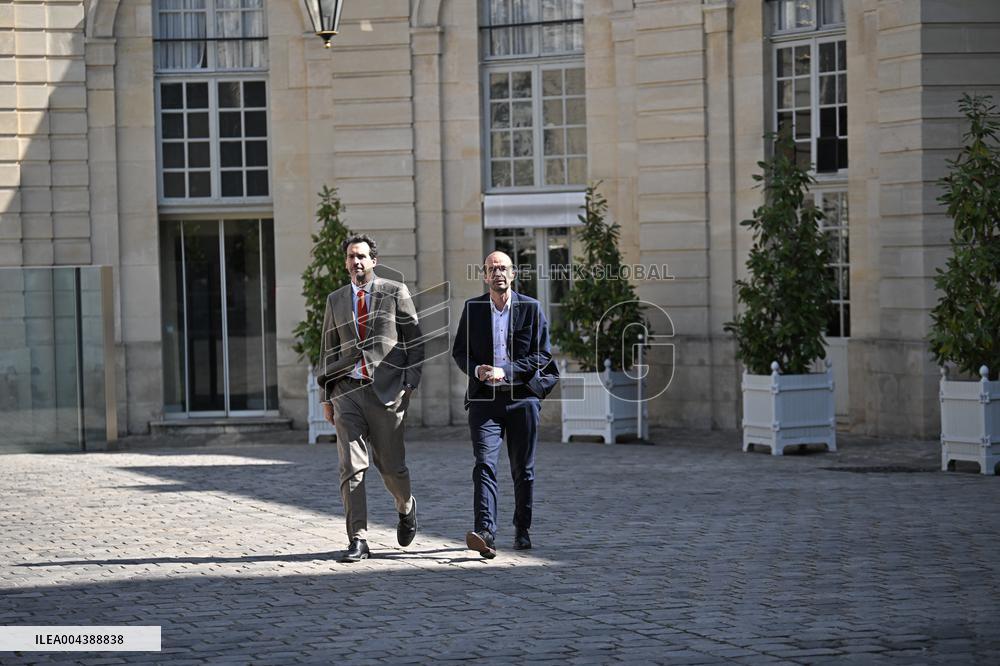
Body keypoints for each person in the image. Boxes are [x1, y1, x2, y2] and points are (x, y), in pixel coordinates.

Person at [318, 234, 424, 562]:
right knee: (351, 467)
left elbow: (416, 341)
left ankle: (406, 507)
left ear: (373, 261)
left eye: (362, 256)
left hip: (387, 392)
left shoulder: (395, 292)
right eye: (351, 257)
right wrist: (326, 396)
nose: (357, 262)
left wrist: (409, 383)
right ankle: (358, 539)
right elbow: (328, 349)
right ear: (346, 262)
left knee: (392, 468)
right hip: (347, 391)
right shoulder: (335, 300)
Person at [452, 251, 559, 558]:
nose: (497, 273)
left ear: (513, 275)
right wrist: (477, 370)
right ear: (485, 276)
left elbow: (542, 355)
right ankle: (485, 532)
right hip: (484, 399)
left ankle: (522, 527)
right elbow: (460, 352)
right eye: (491, 269)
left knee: (522, 470)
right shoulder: (472, 309)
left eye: (503, 268)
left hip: (522, 398)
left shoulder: (531, 308)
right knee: (484, 464)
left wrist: (506, 370)